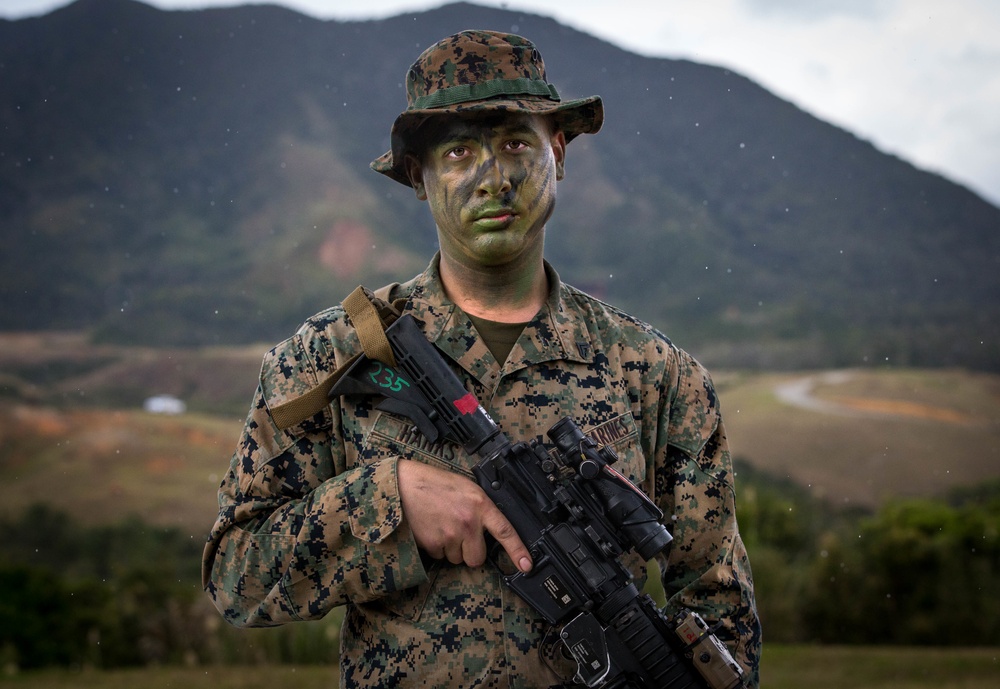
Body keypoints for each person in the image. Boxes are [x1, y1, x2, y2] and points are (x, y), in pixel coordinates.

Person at [202, 29, 761, 688]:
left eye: (516, 144)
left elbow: (721, 610)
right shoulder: (331, 356)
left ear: (558, 151)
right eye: (460, 151)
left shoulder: (661, 375)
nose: (493, 177)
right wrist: (390, 504)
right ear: (420, 175)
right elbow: (236, 574)